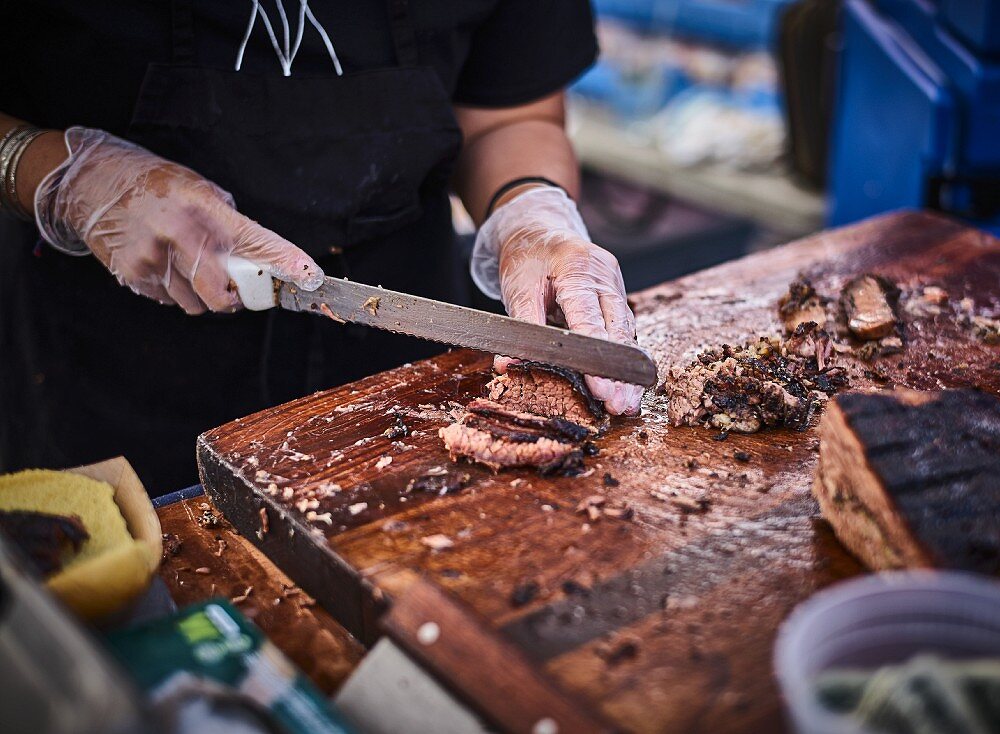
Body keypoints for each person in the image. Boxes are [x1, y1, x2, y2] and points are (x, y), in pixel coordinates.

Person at [0, 1, 643, 493]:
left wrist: (532, 209)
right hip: (102, 366)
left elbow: (512, 117)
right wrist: (56, 174)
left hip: (399, 372)